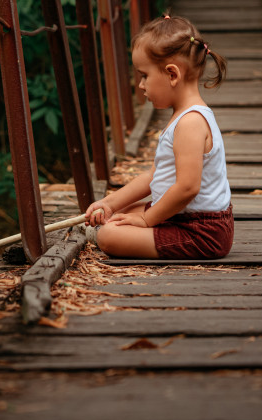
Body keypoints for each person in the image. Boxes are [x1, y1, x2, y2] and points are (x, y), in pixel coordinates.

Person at [84, 14, 233, 259]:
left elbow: (187, 188)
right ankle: (115, 222)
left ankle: (107, 234)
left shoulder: (190, 123)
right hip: (187, 217)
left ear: (172, 75)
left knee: (110, 236)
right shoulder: (184, 117)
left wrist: (146, 219)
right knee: (122, 211)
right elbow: (155, 174)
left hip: (201, 232)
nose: (141, 85)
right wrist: (111, 203)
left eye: (144, 75)